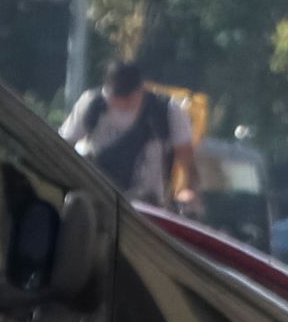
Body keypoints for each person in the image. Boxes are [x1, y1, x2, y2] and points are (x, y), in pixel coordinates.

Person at [61, 58, 195, 210]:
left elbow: (186, 159)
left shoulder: (168, 111)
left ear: (140, 91)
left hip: (146, 203)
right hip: (95, 194)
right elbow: (64, 146)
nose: (120, 103)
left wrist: (188, 190)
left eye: (126, 98)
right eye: (115, 98)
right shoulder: (92, 104)